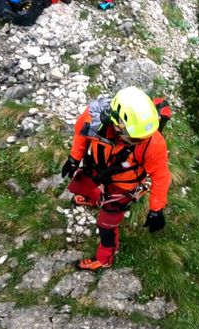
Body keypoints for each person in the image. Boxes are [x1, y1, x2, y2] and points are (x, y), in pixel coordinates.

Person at [62, 87, 171, 271]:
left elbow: (160, 176)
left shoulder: (153, 142)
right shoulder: (92, 116)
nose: (141, 141)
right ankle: (95, 198)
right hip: (97, 168)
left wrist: (156, 209)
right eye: (135, 139)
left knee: (106, 226)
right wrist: (74, 159)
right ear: (116, 122)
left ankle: (104, 259)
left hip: (123, 188)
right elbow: (81, 135)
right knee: (88, 185)